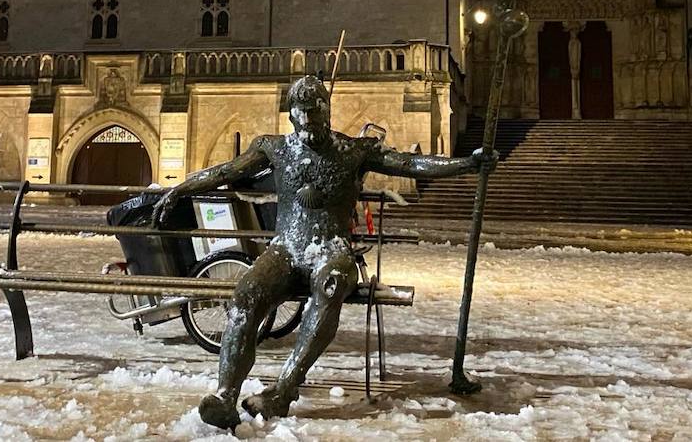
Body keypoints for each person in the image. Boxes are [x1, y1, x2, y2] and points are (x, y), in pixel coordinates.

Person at [153, 75, 496, 430]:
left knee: (331, 284)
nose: (308, 128)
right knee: (245, 295)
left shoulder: (354, 151)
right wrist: (180, 189)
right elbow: (226, 171)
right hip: (285, 248)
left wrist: (467, 164)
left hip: (331, 250)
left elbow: (409, 164)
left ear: (327, 113)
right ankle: (225, 394)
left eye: (315, 119)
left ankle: (284, 391)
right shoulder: (275, 148)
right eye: (302, 120)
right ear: (291, 117)